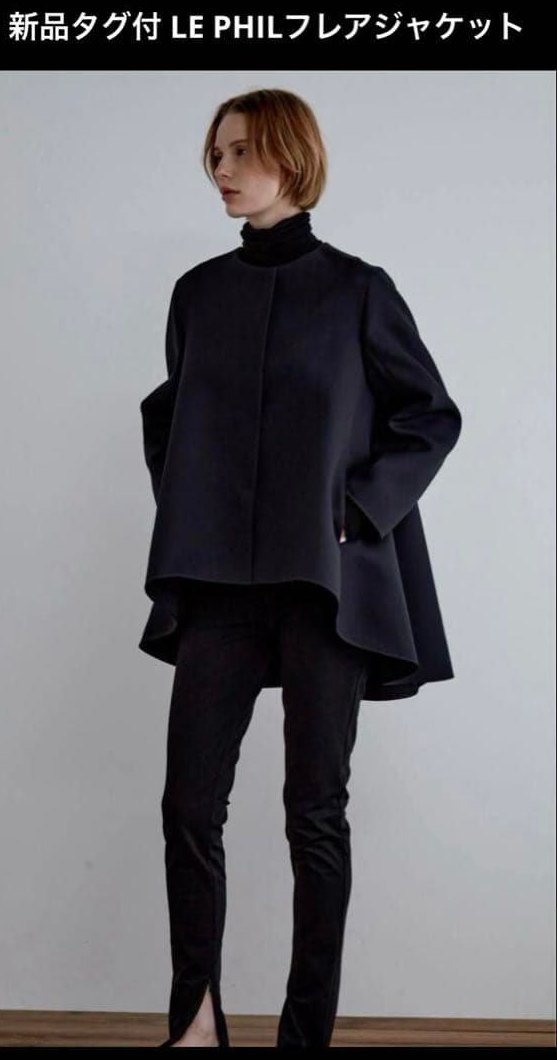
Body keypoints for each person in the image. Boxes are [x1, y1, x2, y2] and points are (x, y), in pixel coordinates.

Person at [140, 89, 463, 1048]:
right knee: (188, 805)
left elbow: (429, 416)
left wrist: (357, 510)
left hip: (326, 590)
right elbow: (172, 413)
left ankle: (304, 1035)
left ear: (291, 157)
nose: (222, 169)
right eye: (216, 153)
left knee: (313, 812)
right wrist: (189, 503)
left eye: (241, 151)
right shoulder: (199, 293)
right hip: (218, 590)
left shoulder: (359, 289)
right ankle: (196, 1018)